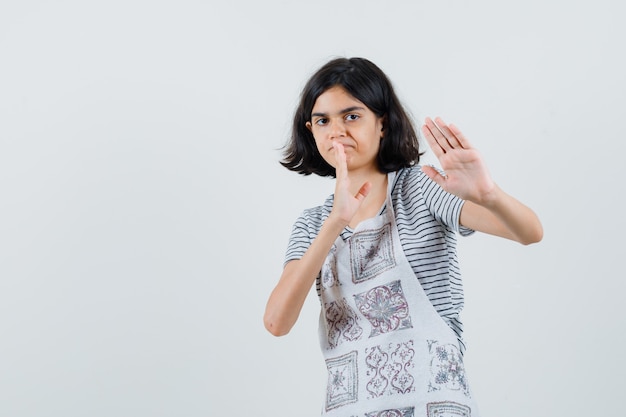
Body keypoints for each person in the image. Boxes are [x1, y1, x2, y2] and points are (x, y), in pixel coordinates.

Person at [263, 57, 543, 417]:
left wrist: (488, 194)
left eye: (351, 116)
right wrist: (335, 222)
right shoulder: (312, 224)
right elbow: (276, 322)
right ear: (311, 130)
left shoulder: (420, 188)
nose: (336, 130)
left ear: (382, 123)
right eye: (323, 120)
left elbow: (529, 231)